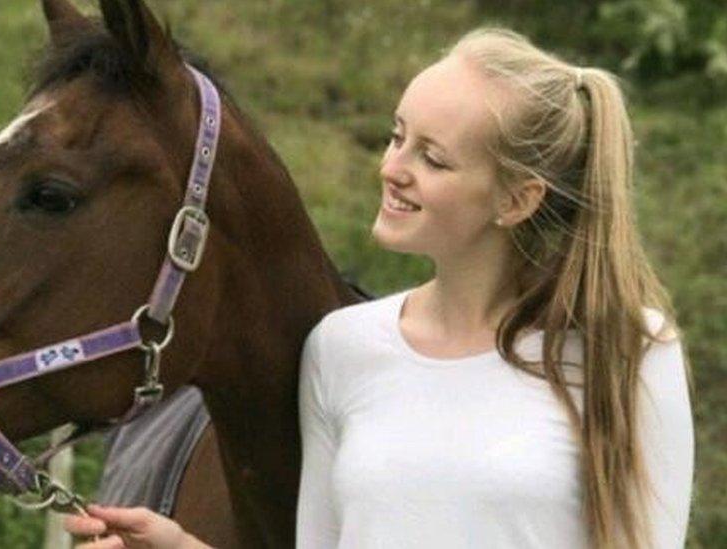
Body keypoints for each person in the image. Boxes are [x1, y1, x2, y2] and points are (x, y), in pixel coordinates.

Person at [65, 27, 694, 549]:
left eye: (433, 158)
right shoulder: (343, 346)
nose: (392, 168)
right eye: (398, 137)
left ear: (517, 198)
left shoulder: (628, 349)